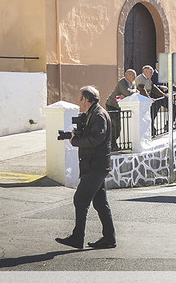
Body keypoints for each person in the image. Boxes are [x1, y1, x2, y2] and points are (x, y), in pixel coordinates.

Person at [56, 85, 116, 249]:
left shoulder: (99, 115)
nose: (78, 101)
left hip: (95, 166)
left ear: (86, 100)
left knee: (80, 199)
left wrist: (75, 141)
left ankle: (77, 238)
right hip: (94, 165)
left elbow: (96, 138)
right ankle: (109, 238)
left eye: (79, 98)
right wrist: (76, 134)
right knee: (100, 203)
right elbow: (92, 135)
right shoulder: (92, 114)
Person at [105, 69, 137, 144]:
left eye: (135, 75)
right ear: (126, 75)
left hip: (120, 106)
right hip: (112, 105)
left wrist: (132, 91)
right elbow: (127, 92)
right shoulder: (122, 82)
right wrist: (133, 91)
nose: (134, 76)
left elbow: (133, 90)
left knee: (118, 127)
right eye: (132, 74)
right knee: (115, 126)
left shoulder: (133, 82)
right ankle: (112, 144)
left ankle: (113, 143)